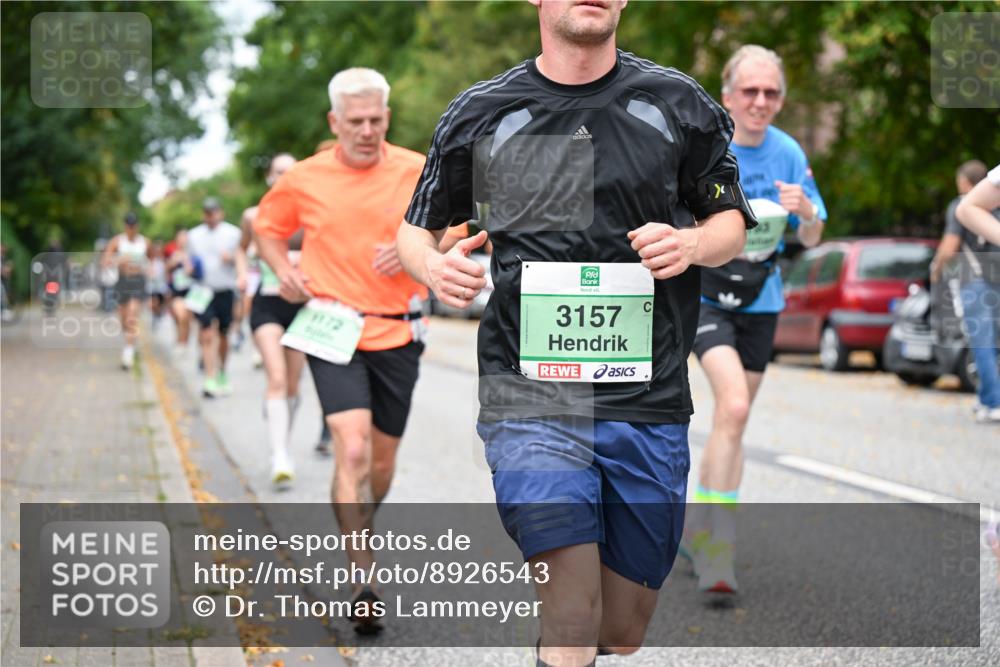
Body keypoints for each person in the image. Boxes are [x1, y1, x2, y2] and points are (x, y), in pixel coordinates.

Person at [397, 2, 755, 663]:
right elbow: (417, 226)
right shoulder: (485, 112)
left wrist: (693, 242)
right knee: (570, 607)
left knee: (620, 627)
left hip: (645, 397)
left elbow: (730, 222)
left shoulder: (677, 103)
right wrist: (431, 267)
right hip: (530, 395)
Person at [254, 67, 446, 633]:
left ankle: (360, 521)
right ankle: (362, 576)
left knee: (381, 464)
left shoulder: (417, 169)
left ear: (387, 117)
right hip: (332, 328)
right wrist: (281, 270)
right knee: (353, 448)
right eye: (354, 121)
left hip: (399, 330)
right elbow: (268, 228)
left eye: (375, 120)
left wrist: (417, 247)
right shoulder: (304, 179)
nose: (366, 130)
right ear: (334, 122)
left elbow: (458, 226)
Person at [684, 45, 826, 595]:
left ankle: (700, 526)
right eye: (750, 91)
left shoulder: (789, 152)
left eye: (771, 93)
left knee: (732, 422)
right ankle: (719, 548)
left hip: (763, 300)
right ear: (728, 96)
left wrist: (807, 211)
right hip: (707, 296)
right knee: (735, 406)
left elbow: (812, 236)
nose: (761, 101)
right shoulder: (708, 148)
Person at [241, 153, 308, 486]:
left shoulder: (310, 217)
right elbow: (242, 249)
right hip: (266, 304)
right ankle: (280, 456)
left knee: (294, 385)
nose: (284, 176)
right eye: (279, 171)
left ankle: (282, 441)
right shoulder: (253, 216)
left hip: (301, 307)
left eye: (291, 172)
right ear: (268, 175)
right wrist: (242, 273)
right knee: (278, 377)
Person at [187, 198, 246, 397]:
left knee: (222, 335)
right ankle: (209, 378)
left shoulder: (233, 234)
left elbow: (242, 259)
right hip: (203, 290)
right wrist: (189, 269)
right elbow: (189, 261)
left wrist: (230, 259)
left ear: (221, 212)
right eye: (207, 212)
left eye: (213, 212)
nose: (210, 216)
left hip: (225, 290)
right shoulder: (194, 236)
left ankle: (222, 372)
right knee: (206, 333)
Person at [955, 162, 1000, 423]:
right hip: (997, 281)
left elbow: (951, 242)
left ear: (964, 182)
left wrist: (937, 268)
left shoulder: (964, 205)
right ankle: (986, 398)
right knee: (990, 343)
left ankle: (992, 401)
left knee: (981, 343)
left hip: (975, 281)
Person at [101, 212, 150, 370]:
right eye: (129, 226)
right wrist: (119, 260)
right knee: (124, 319)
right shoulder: (117, 241)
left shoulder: (144, 242)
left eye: (133, 226)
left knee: (132, 315)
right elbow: (105, 261)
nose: (131, 229)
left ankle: (128, 353)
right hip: (122, 282)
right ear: (125, 226)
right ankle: (129, 342)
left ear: (137, 226)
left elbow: (153, 261)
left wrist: (149, 269)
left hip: (138, 281)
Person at [165, 227, 198, 356]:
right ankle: (181, 341)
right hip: (177, 291)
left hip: (191, 290)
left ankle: (184, 342)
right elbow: (167, 270)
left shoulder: (193, 255)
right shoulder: (173, 254)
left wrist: (186, 261)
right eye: (181, 238)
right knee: (180, 316)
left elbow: (192, 271)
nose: (183, 240)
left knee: (186, 319)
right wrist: (173, 262)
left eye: (185, 237)